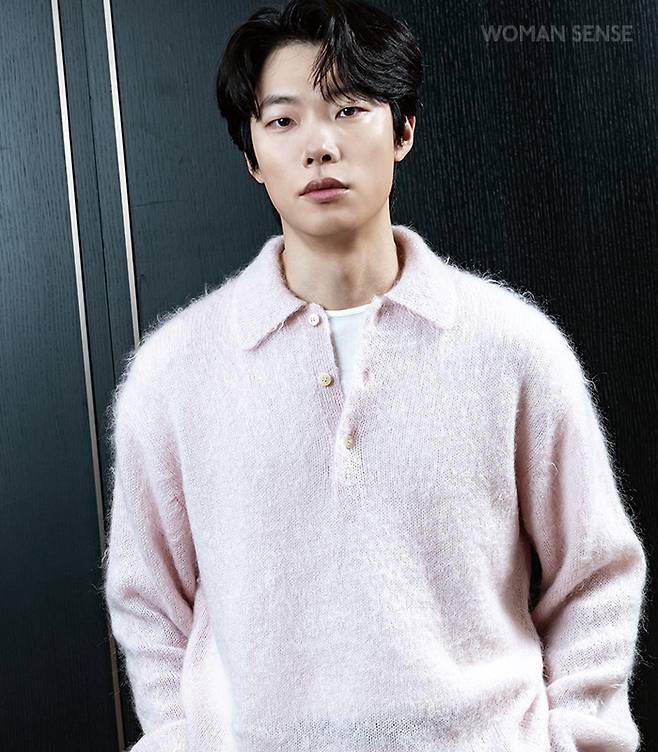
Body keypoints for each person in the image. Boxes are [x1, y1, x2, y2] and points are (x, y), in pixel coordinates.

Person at [102, 1, 649, 750]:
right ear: (252, 155)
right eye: (283, 120)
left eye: (349, 109)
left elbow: (595, 574)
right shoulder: (174, 373)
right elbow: (147, 601)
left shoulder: (514, 347)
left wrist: (577, 739)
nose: (319, 147)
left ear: (404, 130)